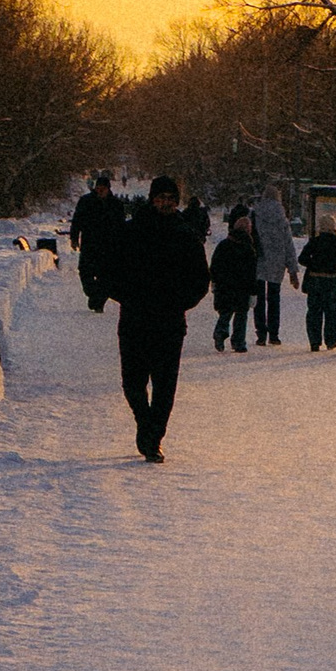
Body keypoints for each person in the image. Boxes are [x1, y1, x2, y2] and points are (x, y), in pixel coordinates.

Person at [110, 174, 212, 460]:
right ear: (152, 199)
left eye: (170, 199)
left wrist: (180, 302)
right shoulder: (132, 231)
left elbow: (200, 279)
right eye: (161, 198)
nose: (165, 203)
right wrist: (127, 296)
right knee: (133, 382)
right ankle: (145, 423)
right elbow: (112, 270)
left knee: (165, 386)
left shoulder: (186, 234)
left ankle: (154, 438)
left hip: (169, 321)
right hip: (135, 318)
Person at [249, 184, 297, 344]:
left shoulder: (255, 214)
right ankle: (274, 334)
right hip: (277, 262)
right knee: (274, 299)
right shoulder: (281, 217)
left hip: (259, 260)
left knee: (260, 299)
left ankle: (261, 333)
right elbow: (288, 243)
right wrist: (292, 270)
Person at [70, 170, 124, 312]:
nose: (100, 191)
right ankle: (93, 295)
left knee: (105, 277)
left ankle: (98, 302)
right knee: (85, 272)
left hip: (109, 247)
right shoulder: (86, 201)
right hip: (89, 244)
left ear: (108, 189)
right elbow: (77, 220)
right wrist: (74, 237)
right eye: (98, 188)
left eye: (103, 189)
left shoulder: (116, 204)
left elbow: (121, 226)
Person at [209, 207, 261, 351]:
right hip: (242, 288)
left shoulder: (224, 244)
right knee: (241, 315)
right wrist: (253, 291)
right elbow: (252, 272)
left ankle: (220, 331)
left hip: (225, 286)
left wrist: (214, 281)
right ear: (248, 230)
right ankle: (239, 342)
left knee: (226, 312)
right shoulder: (249, 248)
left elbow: (215, 265)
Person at [300, 216, 336, 350]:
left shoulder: (315, 241)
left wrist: (313, 264)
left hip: (315, 279)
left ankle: (314, 341)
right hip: (331, 280)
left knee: (314, 311)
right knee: (331, 311)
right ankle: (331, 340)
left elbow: (302, 258)